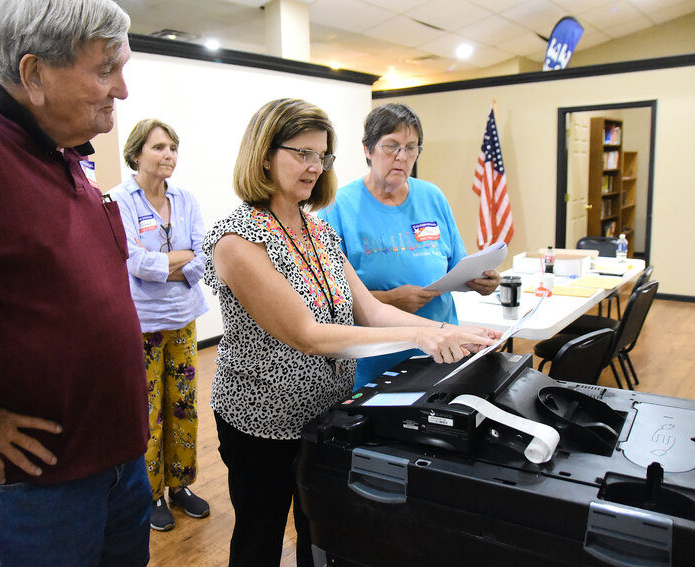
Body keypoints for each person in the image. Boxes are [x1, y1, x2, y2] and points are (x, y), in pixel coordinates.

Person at [0, 1, 152, 565]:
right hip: (39, 488)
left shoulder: (60, 153)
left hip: (119, 465)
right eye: (106, 69)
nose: (123, 90)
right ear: (34, 74)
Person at [202, 98, 502, 567]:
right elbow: (307, 334)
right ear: (264, 154)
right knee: (259, 538)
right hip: (262, 421)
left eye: (321, 156)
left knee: (319, 527)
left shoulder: (317, 229)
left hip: (327, 410)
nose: (314, 167)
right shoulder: (238, 238)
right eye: (301, 153)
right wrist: (424, 338)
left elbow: (372, 312)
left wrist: (450, 331)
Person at [319, 103, 501, 389]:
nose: (402, 157)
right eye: (391, 147)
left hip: (442, 354)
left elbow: (456, 267)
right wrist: (391, 299)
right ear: (368, 149)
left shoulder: (432, 196)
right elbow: (330, 301)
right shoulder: (337, 208)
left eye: (411, 147)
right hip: (376, 362)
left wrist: (480, 279)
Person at [108, 119, 210, 531]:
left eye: (173, 148)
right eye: (159, 148)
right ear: (136, 154)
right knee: (148, 412)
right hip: (142, 323)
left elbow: (202, 257)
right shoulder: (119, 201)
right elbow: (134, 262)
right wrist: (177, 260)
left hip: (182, 319)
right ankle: (149, 493)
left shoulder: (186, 199)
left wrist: (171, 264)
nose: (168, 155)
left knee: (183, 405)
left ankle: (180, 485)